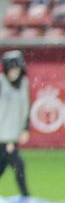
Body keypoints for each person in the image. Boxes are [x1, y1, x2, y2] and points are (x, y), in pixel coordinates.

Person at [0, 50, 30, 195]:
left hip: (12, 137)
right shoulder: (1, 83)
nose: (14, 73)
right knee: (19, 166)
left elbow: (25, 108)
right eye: (11, 70)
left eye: (16, 70)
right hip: (3, 138)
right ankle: (26, 197)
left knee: (10, 167)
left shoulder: (24, 84)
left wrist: (25, 127)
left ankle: (26, 198)